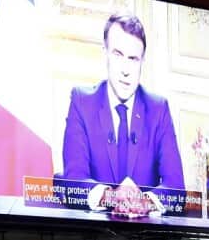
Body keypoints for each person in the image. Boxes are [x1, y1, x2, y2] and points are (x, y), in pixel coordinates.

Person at [62, 13, 184, 215]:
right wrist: (111, 196)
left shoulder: (158, 108)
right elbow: (73, 181)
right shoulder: (82, 101)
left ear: (142, 61)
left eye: (133, 59)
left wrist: (145, 202)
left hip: (145, 238)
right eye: (118, 55)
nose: (125, 70)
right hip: (93, 236)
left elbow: (177, 189)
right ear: (105, 53)